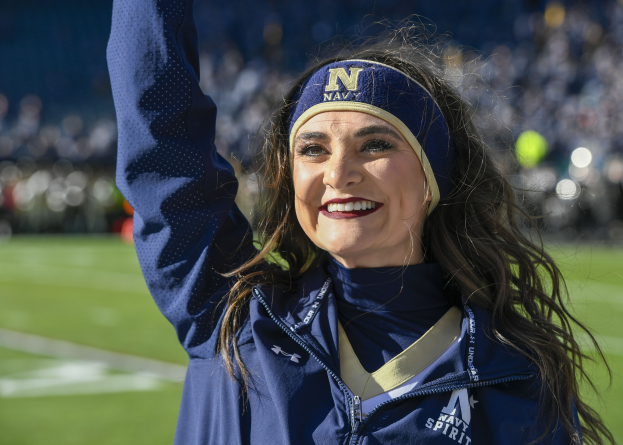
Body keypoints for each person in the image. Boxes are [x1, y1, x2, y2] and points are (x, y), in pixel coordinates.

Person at [107, 1, 613, 444]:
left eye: (375, 145)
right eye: (313, 149)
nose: (338, 174)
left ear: (433, 178)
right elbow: (157, 123)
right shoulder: (233, 316)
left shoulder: (514, 381)